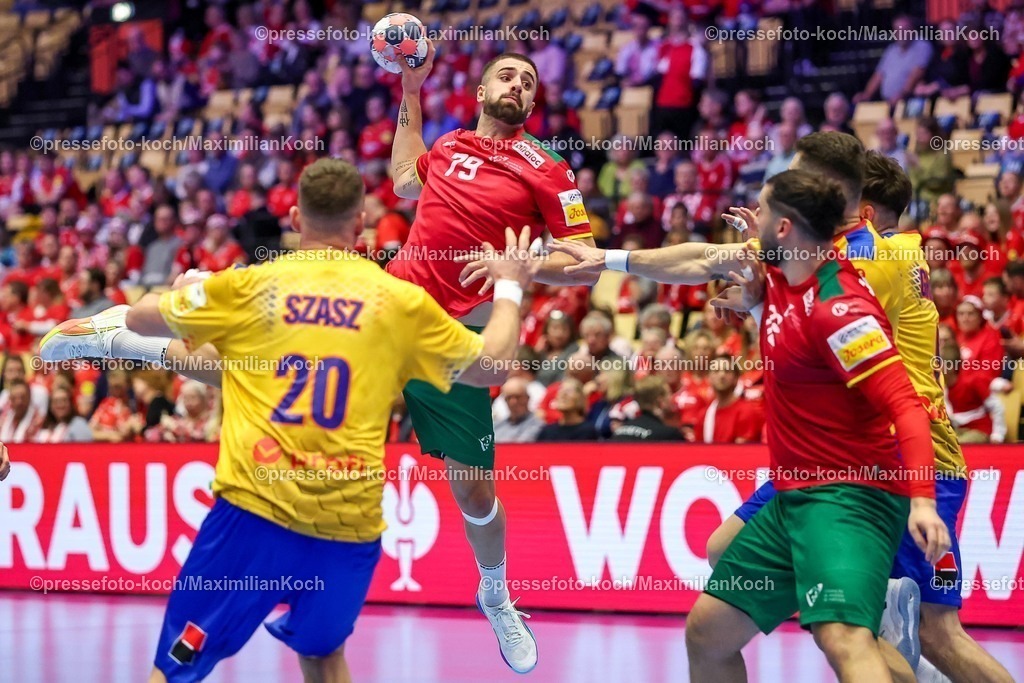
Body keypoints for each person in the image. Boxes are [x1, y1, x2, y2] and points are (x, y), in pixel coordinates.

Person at [41, 158, 535, 683]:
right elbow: (495, 365)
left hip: (255, 515)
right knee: (323, 657)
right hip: (347, 531)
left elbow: (145, 312)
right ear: (361, 223)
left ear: (295, 219)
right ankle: (114, 338)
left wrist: (181, 292)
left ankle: (112, 338)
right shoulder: (403, 303)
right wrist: (509, 285)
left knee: (175, 673)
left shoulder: (255, 283)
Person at [687, 169, 949, 683]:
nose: (750, 219)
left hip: (849, 497)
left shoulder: (840, 308)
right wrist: (606, 261)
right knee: (707, 631)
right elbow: (692, 259)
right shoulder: (781, 279)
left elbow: (905, 404)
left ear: (784, 227)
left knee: (843, 639)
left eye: (760, 209)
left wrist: (922, 500)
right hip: (794, 497)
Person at [609, 375, 684, 441]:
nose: (672, 398)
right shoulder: (668, 435)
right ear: (660, 401)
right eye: (669, 393)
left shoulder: (620, 431)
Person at [493, 376, 544, 443]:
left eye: (518, 397)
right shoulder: (497, 426)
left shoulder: (538, 425)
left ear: (527, 398)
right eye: (509, 398)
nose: (513, 402)